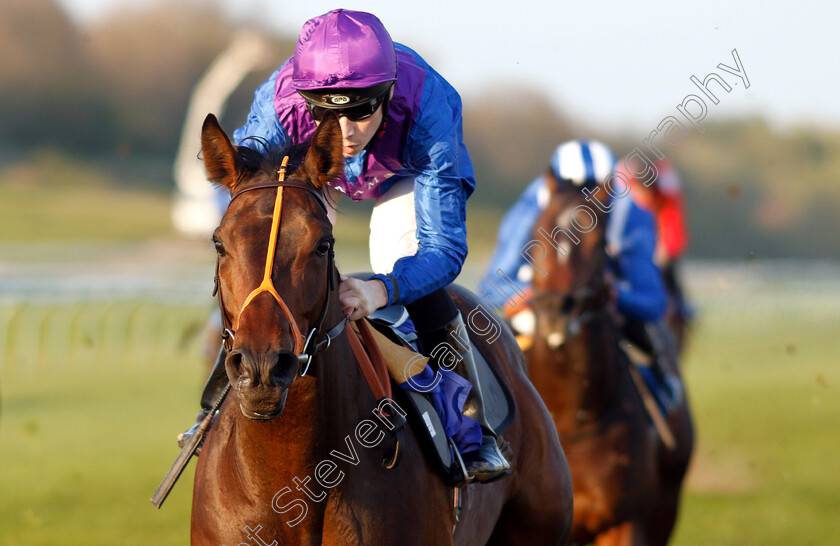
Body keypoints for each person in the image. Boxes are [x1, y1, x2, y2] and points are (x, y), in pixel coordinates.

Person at [189, 9, 509, 482]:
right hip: (313, 173)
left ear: (388, 93)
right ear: (305, 101)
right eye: (327, 112)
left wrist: (382, 289)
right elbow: (247, 192)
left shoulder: (429, 106)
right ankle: (215, 403)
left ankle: (474, 423)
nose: (345, 131)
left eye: (360, 110)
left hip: (404, 174)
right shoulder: (279, 104)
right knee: (270, 253)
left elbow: (444, 249)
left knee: (395, 251)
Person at [478, 140, 678, 401]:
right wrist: (530, 294)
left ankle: (662, 410)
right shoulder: (530, 208)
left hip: (604, 312)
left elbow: (653, 302)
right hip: (538, 309)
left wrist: (615, 295)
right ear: (553, 184)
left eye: (594, 189)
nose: (582, 201)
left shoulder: (631, 214)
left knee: (654, 367)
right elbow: (492, 287)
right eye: (571, 189)